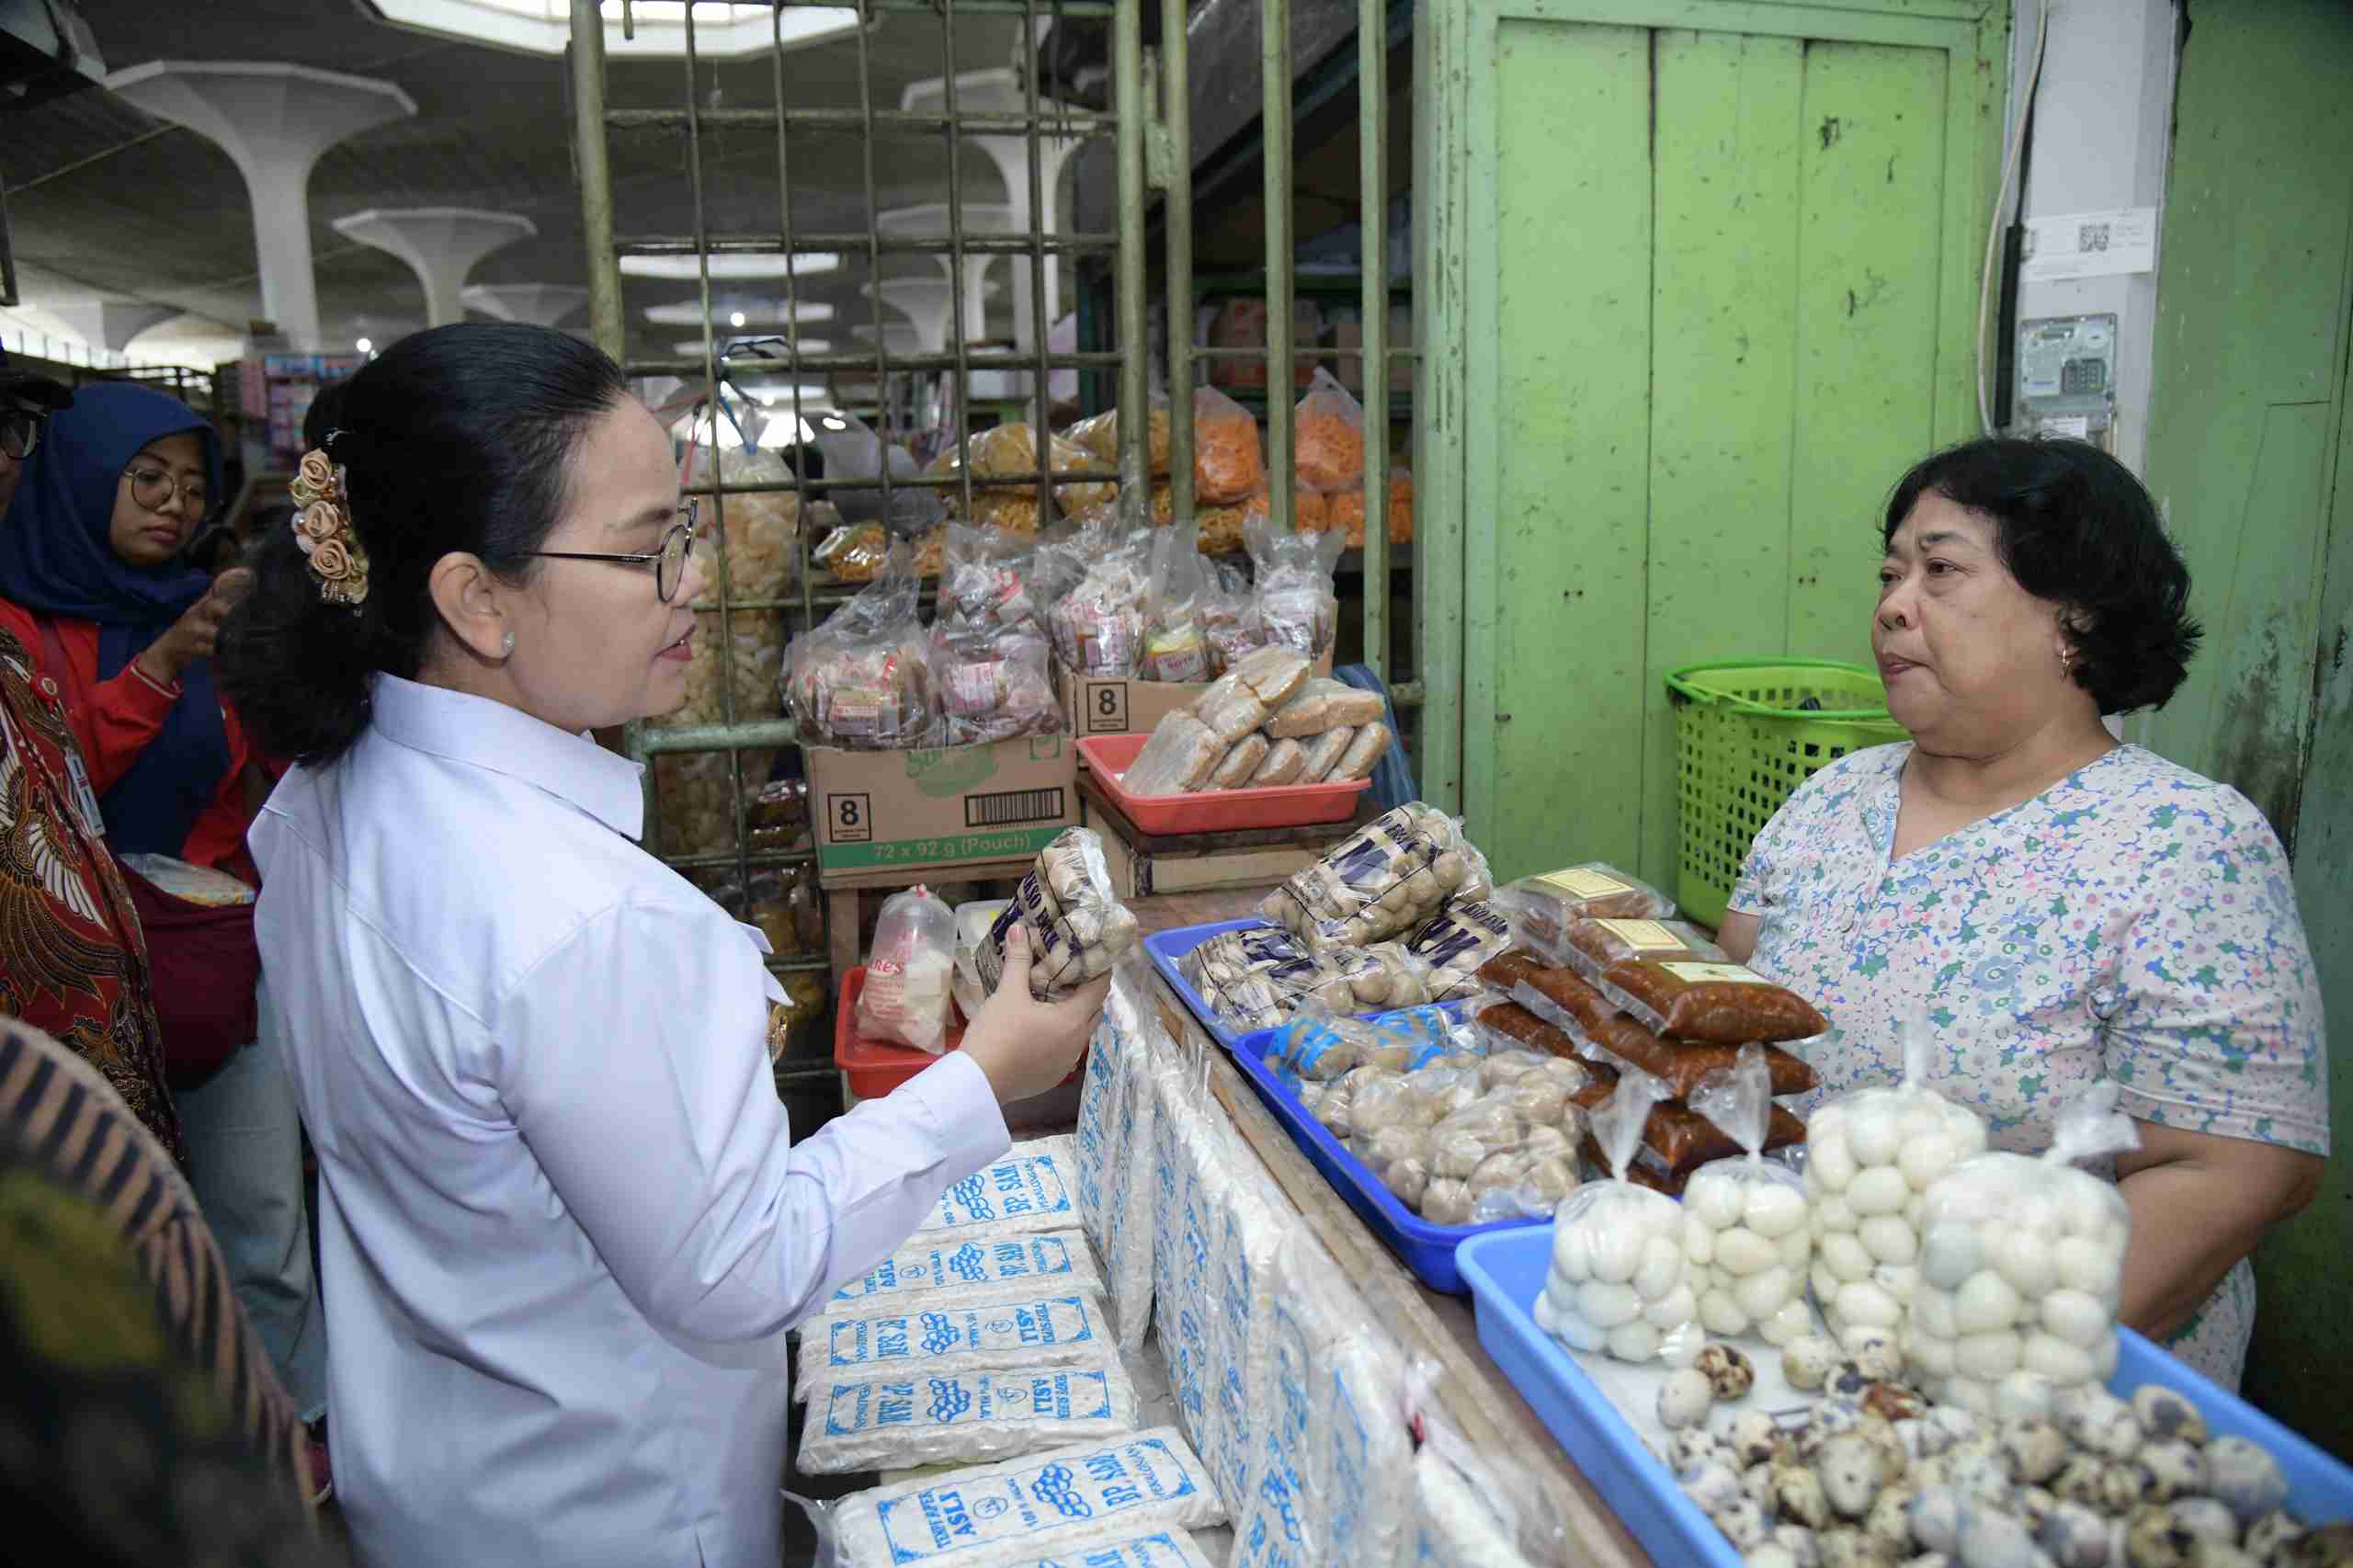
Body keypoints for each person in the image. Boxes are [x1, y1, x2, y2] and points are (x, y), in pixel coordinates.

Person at [216, 322, 1108, 1568]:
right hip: (613, 1503)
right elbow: (742, 1264)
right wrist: (988, 1070)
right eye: (647, 551)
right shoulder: (584, 919)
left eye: (685, 534)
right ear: (477, 599)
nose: (693, 581)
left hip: (439, 1479)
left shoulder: (321, 801)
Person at [1718, 437, 2329, 1390]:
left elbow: (2238, 1170)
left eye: (1941, 570)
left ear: (2073, 618)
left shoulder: (2184, 844)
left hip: (2026, 1390)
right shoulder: (1832, 797)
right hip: (1786, 1338)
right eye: (1890, 573)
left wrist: (1972, 1365)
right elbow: (1728, 1022)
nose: (1893, 605)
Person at [0, 381, 329, 1466]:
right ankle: (160, 1462)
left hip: (216, 952)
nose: (174, 506)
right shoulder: (21, 630)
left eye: (191, 487)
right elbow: (51, 790)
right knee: (117, 1228)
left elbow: (267, 771)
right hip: (70, 981)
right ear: (83, 478)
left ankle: (287, 1440)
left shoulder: (210, 606)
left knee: (260, 1213)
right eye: (147, 480)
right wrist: (162, 662)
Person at [0, 349, 183, 1164]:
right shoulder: (32, 621)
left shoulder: (7, 639)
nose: (5, 458)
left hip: (91, 1084)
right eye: (148, 479)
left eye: (13, 431)